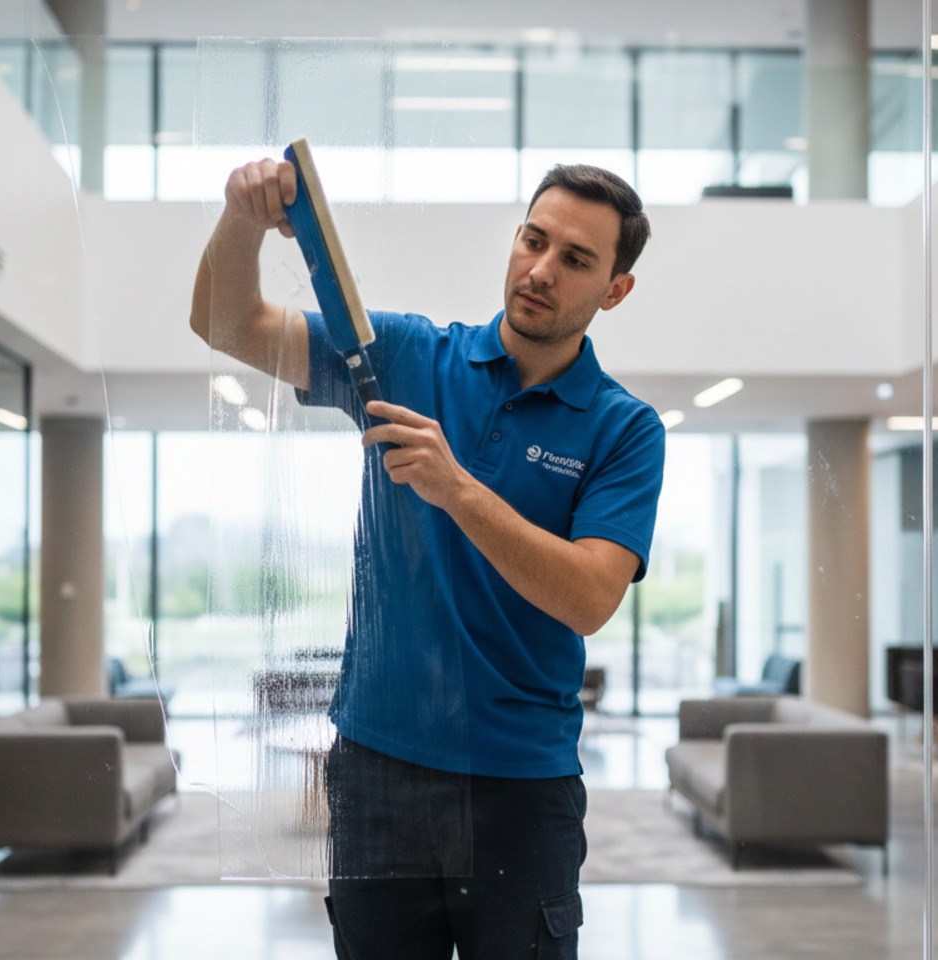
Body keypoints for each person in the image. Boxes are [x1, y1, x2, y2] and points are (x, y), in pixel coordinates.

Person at [190, 157, 665, 959]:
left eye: (576, 259)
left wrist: (459, 489)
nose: (541, 270)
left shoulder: (625, 429)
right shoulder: (407, 357)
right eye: (533, 240)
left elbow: (589, 597)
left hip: (522, 786)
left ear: (614, 288)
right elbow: (227, 323)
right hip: (376, 768)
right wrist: (241, 217)